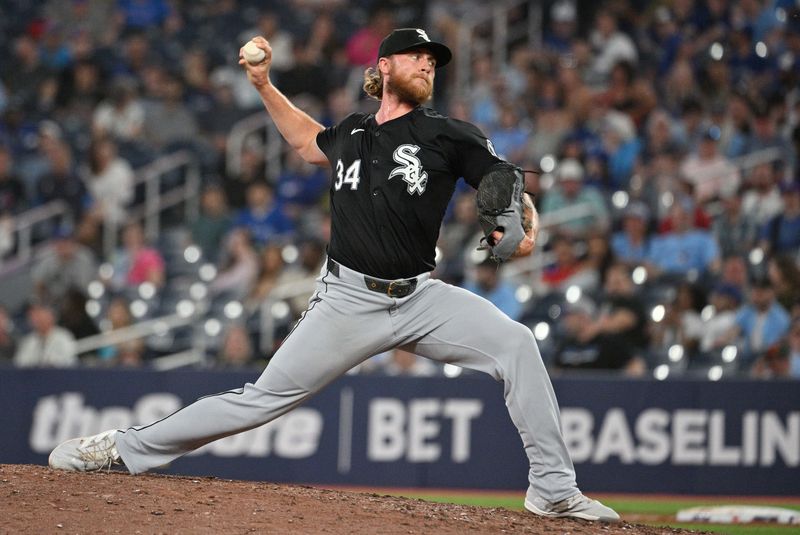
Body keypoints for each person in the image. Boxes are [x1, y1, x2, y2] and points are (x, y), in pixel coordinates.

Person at [48, 28, 619, 523]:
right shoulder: (350, 133)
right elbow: (303, 141)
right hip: (346, 299)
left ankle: (553, 491)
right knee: (260, 399)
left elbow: (495, 174)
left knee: (517, 344)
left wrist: (510, 214)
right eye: (417, 56)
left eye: (433, 61)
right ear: (384, 68)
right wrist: (264, 86)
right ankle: (121, 448)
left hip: (421, 297)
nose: (427, 64)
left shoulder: (448, 134)